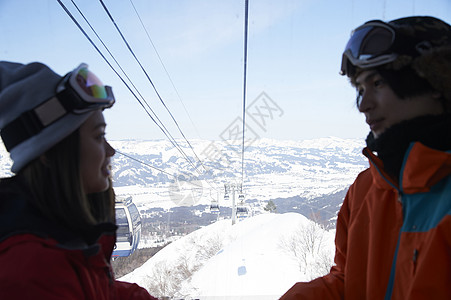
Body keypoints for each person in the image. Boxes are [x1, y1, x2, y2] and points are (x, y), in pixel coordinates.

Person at [280, 16, 451, 300]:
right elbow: (348, 281)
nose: (363, 104)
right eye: (360, 89)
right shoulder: (364, 191)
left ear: (434, 81)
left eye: (378, 82)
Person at [0, 61, 157, 299]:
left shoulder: (62, 240)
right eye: (99, 136)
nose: (110, 150)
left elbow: (100, 291)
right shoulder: (33, 270)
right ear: (51, 152)